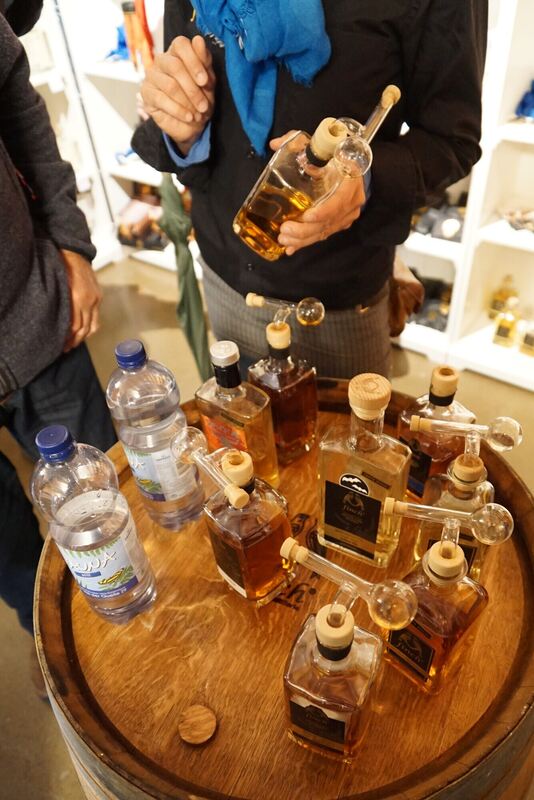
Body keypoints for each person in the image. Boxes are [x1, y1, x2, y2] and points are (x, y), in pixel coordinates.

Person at [132, 0, 487, 378]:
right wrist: (184, 130)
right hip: (221, 276)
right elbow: (181, 91)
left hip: (337, 308)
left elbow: (452, 138)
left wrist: (365, 178)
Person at [0, 7, 116, 641]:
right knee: (12, 558)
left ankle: (131, 634)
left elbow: (22, 117)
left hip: (38, 317)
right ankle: (55, 644)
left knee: (105, 509)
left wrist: (71, 243)